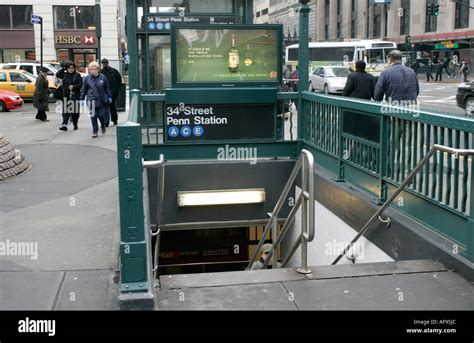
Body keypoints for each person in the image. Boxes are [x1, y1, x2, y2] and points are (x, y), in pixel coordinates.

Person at [80, 61, 112, 138]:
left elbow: (107, 88)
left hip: (101, 100)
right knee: (93, 116)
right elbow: (84, 89)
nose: (93, 71)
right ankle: (95, 131)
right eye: (91, 69)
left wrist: (109, 96)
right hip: (91, 100)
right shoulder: (87, 78)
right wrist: (81, 98)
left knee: (101, 115)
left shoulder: (102, 77)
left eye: (94, 69)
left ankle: (103, 125)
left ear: (98, 69)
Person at [56, 61, 83, 131]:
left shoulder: (77, 75)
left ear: (74, 68)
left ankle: (75, 124)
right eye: (69, 68)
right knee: (65, 111)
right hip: (66, 95)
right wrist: (64, 68)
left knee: (75, 113)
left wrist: (73, 87)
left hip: (75, 96)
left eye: (72, 68)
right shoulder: (64, 75)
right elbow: (57, 74)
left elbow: (80, 84)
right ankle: (64, 124)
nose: (71, 69)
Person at [101, 58, 122, 126]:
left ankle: (114, 120)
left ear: (108, 63)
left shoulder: (114, 71)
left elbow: (119, 80)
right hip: (105, 93)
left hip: (113, 92)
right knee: (106, 107)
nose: (104, 64)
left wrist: (117, 89)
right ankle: (106, 121)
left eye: (105, 63)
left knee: (112, 107)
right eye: (103, 63)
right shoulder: (101, 72)